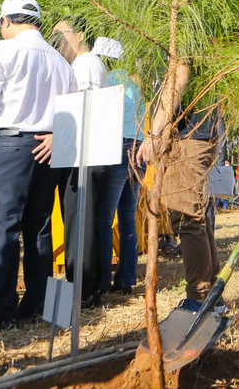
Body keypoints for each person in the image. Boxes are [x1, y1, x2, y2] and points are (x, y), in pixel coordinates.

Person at [0, 0, 76, 329]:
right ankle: (38, 303)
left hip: (10, 143)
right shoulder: (60, 60)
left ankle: (2, 311)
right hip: (47, 147)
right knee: (40, 228)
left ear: (7, 21)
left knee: (2, 228)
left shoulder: (2, 50)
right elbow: (72, 109)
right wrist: (57, 136)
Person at [136, 63, 227, 315]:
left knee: (186, 216)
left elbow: (180, 74)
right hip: (193, 134)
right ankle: (212, 295)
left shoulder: (185, 25)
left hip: (188, 136)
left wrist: (154, 134)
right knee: (195, 217)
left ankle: (199, 298)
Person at [51, 17, 107, 308]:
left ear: (80, 34)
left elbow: (82, 109)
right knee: (82, 221)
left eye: (62, 35)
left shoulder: (85, 64)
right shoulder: (84, 63)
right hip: (84, 152)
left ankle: (80, 290)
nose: (57, 42)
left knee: (79, 222)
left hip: (83, 153)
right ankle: (89, 287)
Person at [94, 37, 144, 295]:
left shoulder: (107, 82)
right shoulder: (135, 85)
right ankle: (126, 278)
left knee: (104, 219)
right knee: (127, 220)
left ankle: (102, 281)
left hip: (117, 148)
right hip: (139, 151)